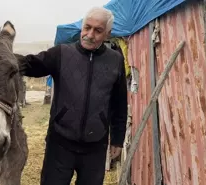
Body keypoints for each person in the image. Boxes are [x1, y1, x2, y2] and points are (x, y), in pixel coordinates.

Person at [16, 6, 128, 185]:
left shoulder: (115, 60)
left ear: (108, 34)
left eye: (98, 31)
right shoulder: (61, 53)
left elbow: (119, 103)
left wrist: (117, 139)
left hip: (95, 146)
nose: (90, 35)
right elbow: (30, 65)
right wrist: (0, 55)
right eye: (87, 27)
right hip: (60, 143)